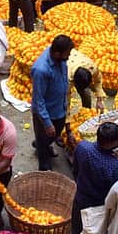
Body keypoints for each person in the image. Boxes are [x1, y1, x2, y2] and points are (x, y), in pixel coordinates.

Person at [70, 122, 118, 234]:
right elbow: (116, 191)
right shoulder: (113, 165)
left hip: (81, 200)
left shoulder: (82, 147)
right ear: (110, 143)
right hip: (101, 207)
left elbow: (75, 170)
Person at [31, 34, 74, 171]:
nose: (69, 56)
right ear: (57, 53)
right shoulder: (41, 70)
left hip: (59, 109)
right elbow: (38, 100)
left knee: (53, 135)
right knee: (44, 143)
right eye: (67, 54)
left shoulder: (60, 59)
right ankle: (45, 170)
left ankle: (40, 143)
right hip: (46, 115)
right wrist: (47, 123)